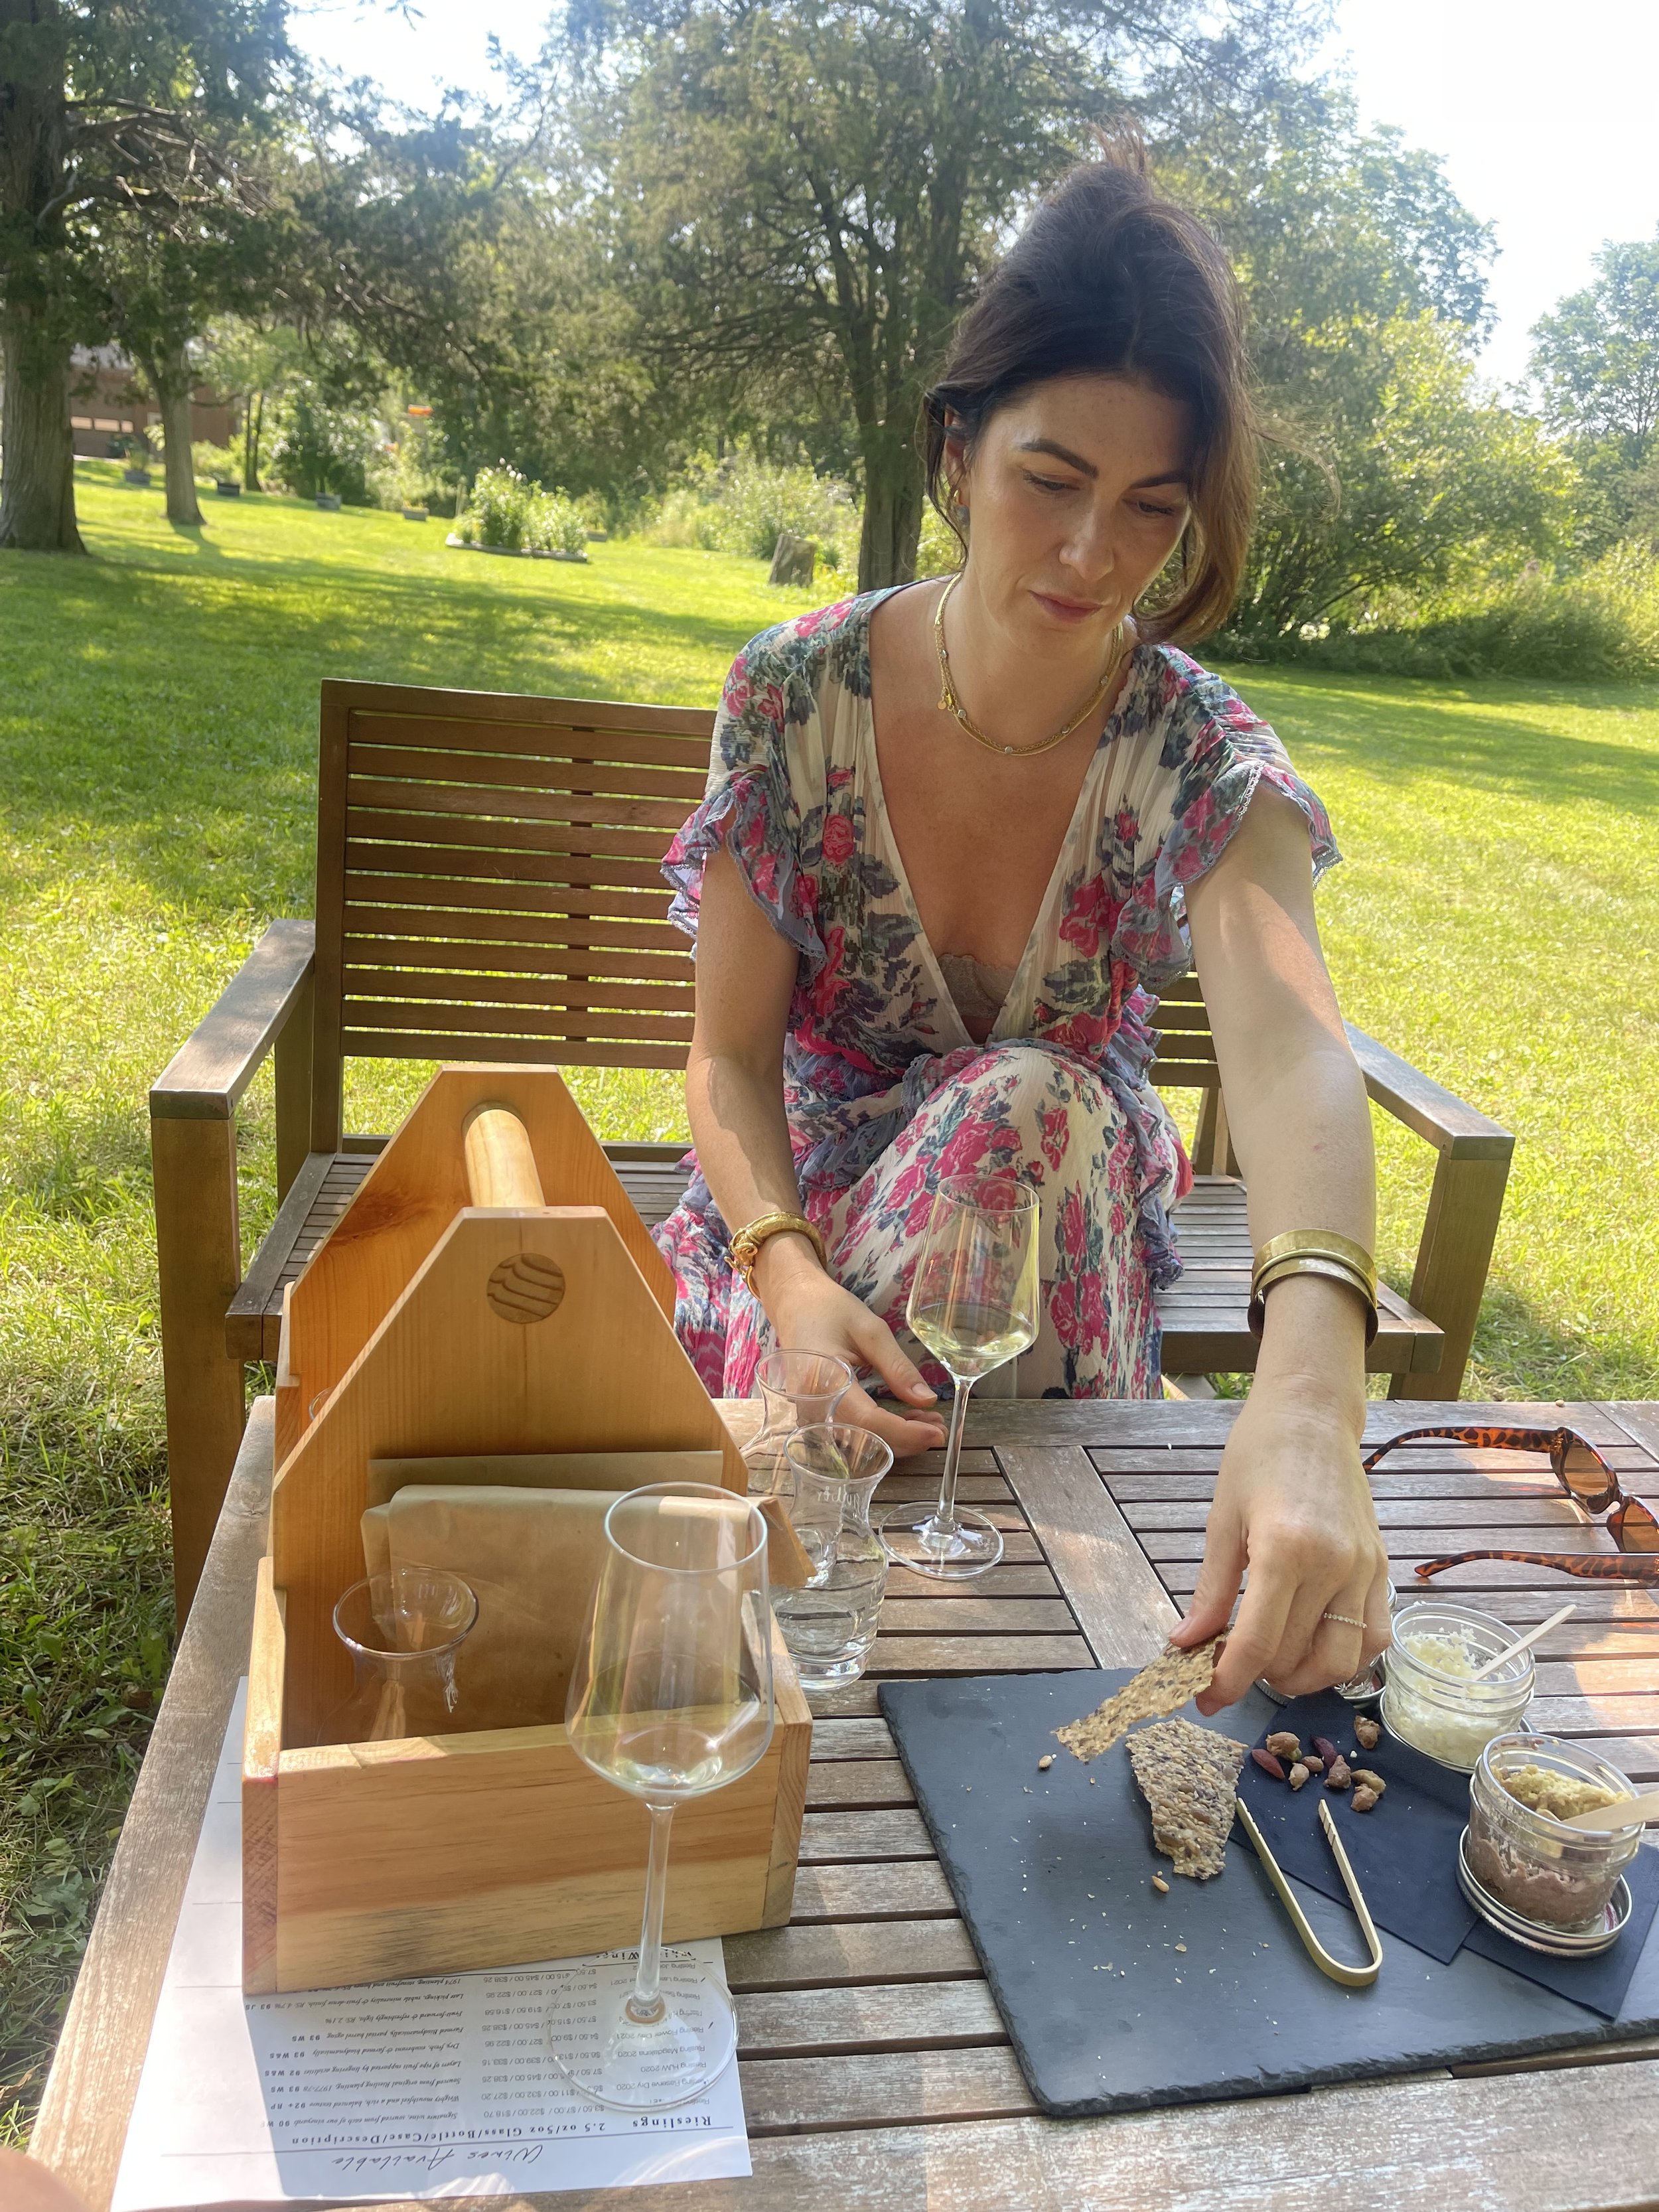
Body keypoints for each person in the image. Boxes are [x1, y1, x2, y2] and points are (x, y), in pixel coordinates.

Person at [653, 148, 1390, 1709]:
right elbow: (724, 1055)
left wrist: (1314, 1395)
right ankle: (861, 1618)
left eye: (1150, 509)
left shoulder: (1193, 752)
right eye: (1048, 481)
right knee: (952, 1191)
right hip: (800, 1218)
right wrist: (786, 1275)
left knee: (1029, 1106)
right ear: (954, 449)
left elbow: (1291, 1044)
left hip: (1042, 1251)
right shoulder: (792, 696)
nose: (1091, 556)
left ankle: (844, 1597)